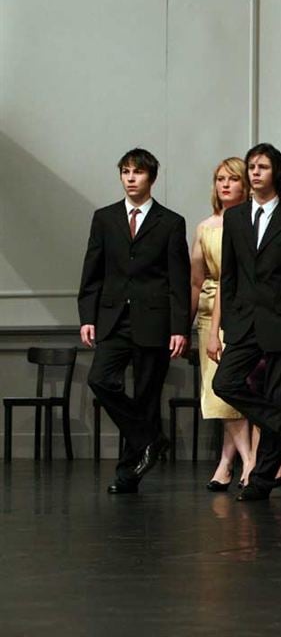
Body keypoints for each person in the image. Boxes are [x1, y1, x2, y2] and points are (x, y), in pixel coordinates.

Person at [209, 143, 281, 502]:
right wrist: (227, 323)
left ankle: (262, 480)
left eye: (263, 167)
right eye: (252, 167)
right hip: (244, 323)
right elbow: (229, 275)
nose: (255, 172)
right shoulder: (236, 218)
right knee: (224, 383)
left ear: (277, 174)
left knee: (277, 396)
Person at [79, 148, 190, 494]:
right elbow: (92, 271)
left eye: (137, 172)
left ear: (150, 178)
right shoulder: (105, 218)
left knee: (145, 396)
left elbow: (178, 279)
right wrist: (87, 316)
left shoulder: (170, 222)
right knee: (100, 379)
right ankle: (151, 439)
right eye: (125, 171)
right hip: (113, 319)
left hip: (154, 322)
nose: (130, 178)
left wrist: (179, 328)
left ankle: (128, 473)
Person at [191, 157, 254, 490]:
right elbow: (196, 279)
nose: (225, 185)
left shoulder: (251, 222)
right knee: (216, 391)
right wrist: (182, 324)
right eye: (219, 179)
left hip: (241, 310)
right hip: (208, 313)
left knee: (233, 389)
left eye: (232, 179)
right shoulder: (205, 227)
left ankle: (241, 461)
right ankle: (233, 461)